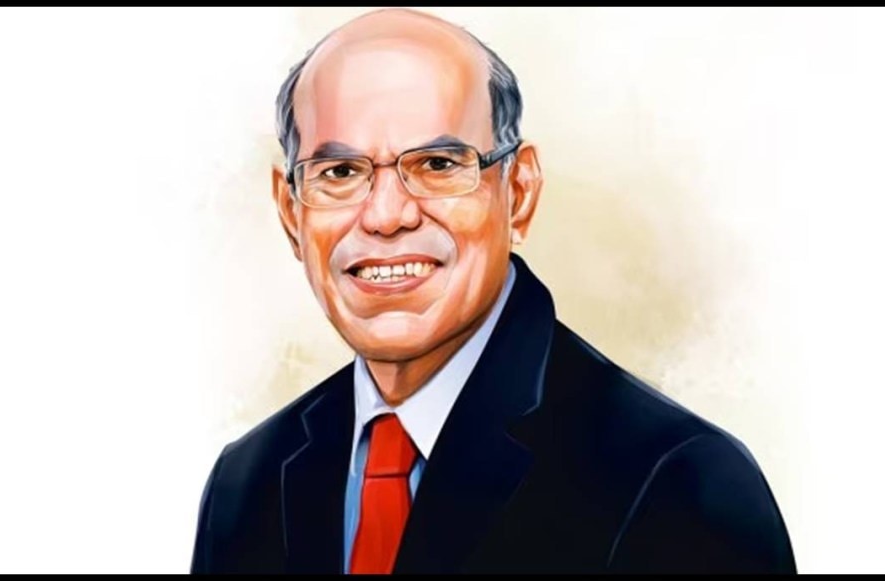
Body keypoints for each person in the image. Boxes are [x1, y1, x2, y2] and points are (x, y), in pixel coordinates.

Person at [189, 8, 796, 575]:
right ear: (291, 213)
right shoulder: (246, 486)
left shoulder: (677, 484)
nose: (386, 215)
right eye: (340, 172)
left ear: (519, 192)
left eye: (437, 164)